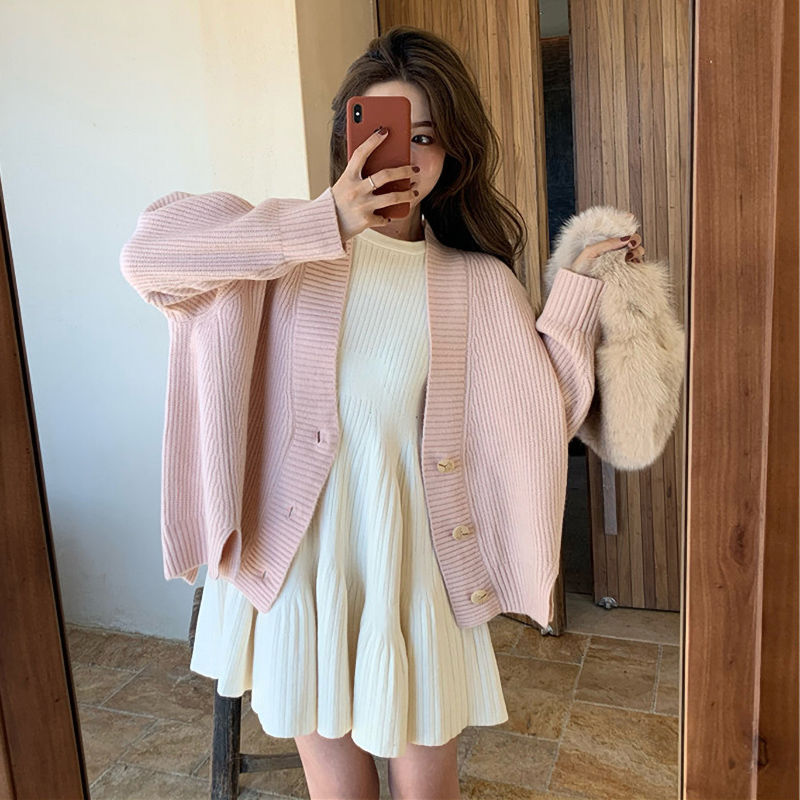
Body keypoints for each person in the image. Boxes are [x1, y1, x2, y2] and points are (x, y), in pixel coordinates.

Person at [121, 25, 645, 800]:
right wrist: (323, 223)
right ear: (348, 136)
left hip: (411, 572)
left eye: (425, 136)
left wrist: (578, 288)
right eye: (385, 130)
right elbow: (148, 258)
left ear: (452, 153)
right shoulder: (282, 251)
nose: (405, 154)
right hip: (302, 567)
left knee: (429, 786)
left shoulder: (476, 283)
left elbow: (542, 418)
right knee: (340, 789)